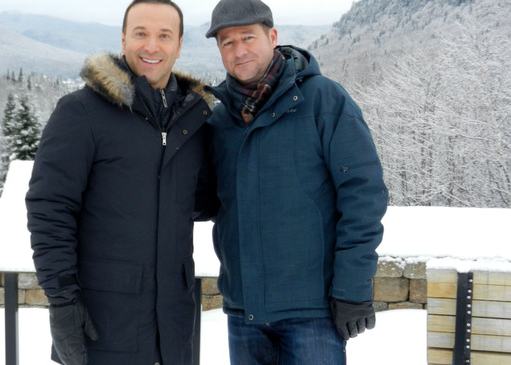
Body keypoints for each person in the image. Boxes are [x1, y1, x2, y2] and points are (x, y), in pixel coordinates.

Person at [25, 1, 216, 364]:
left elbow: (206, 201)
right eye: (141, 33)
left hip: (174, 330)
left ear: (178, 45)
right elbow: (50, 209)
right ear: (124, 38)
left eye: (164, 35)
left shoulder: (194, 122)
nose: (151, 46)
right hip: (103, 326)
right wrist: (63, 300)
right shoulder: (81, 112)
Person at [204, 0, 389, 364]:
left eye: (247, 37)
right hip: (244, 314)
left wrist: (353, 288)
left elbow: (363, 196)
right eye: (227, 42)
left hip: (312, 313)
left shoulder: (323, 100)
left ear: (272, 37)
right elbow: (208, 202)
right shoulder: (219, 121)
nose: (239, 50)